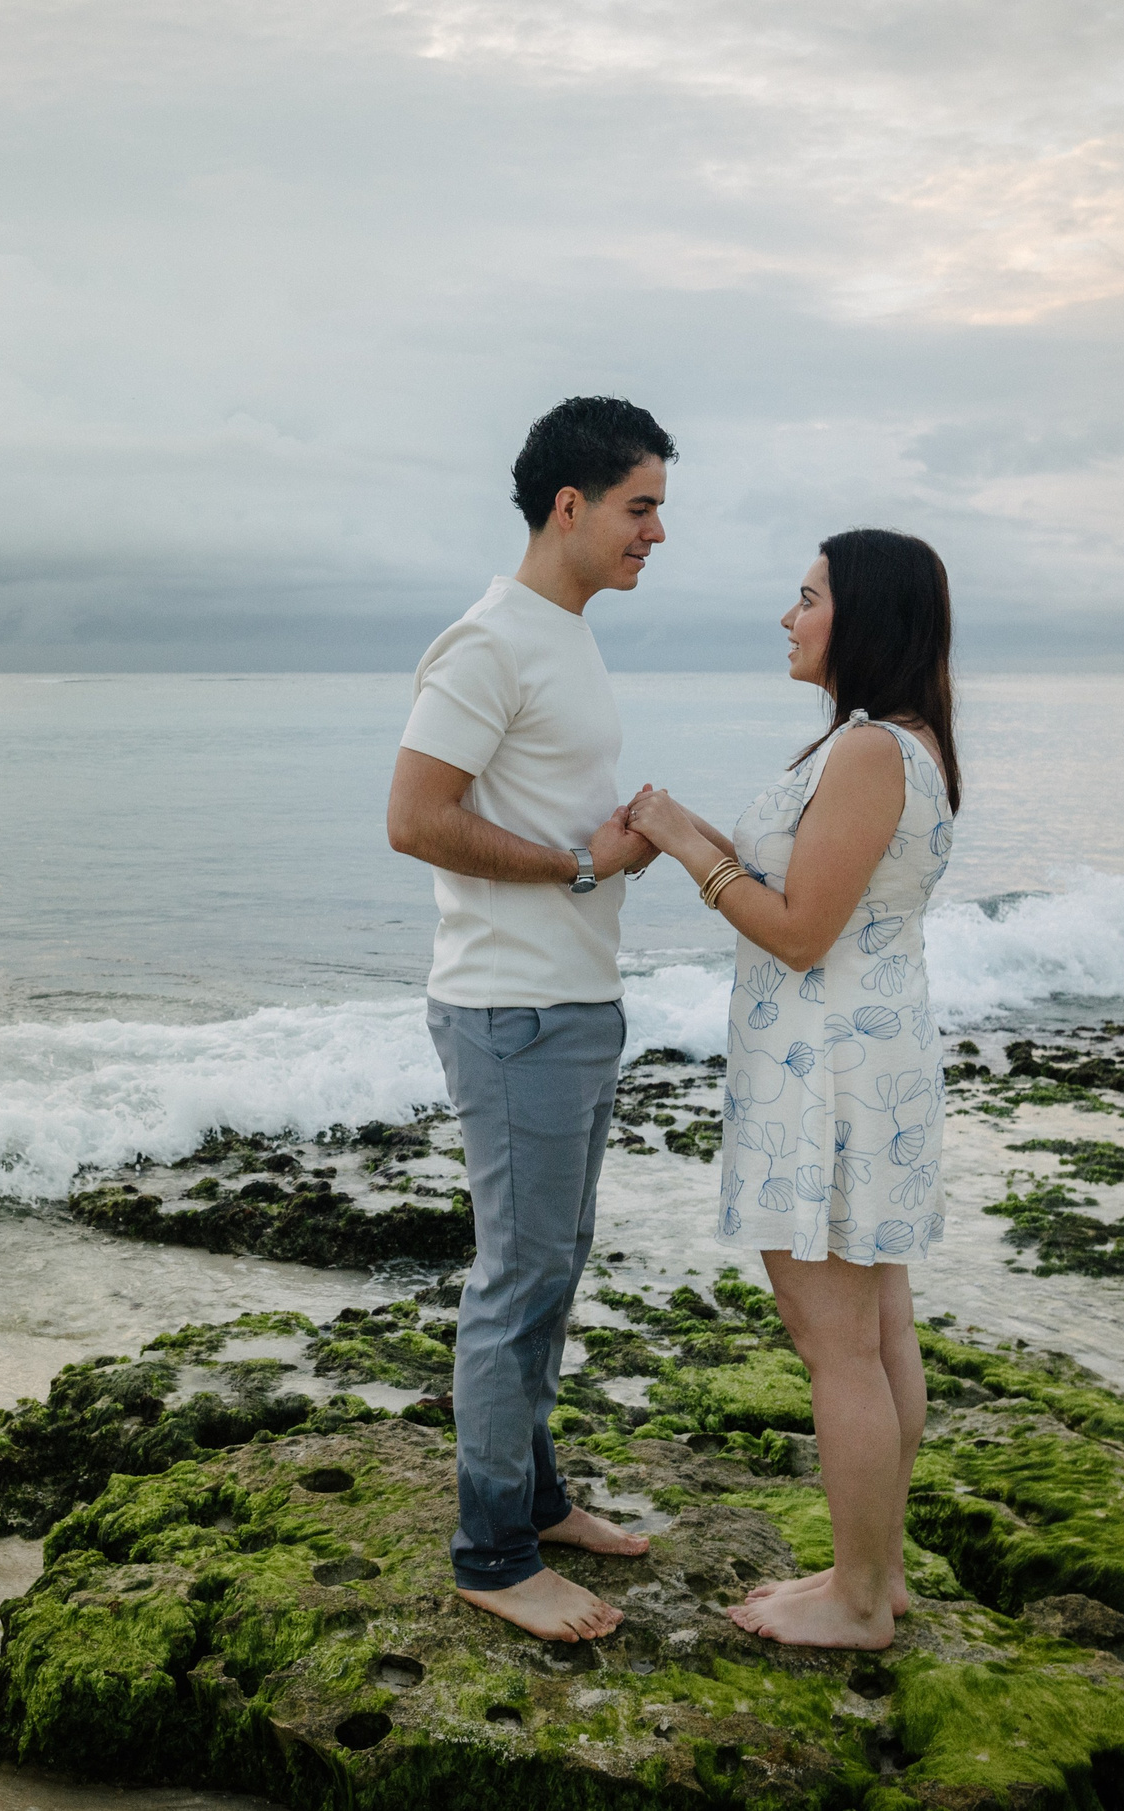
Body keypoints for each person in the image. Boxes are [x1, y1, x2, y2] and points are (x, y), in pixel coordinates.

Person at [624, 527, 960, 1650]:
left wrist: (681, 844)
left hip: (828, 1079)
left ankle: (859, 1600)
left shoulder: (869, 750)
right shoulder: (887, 744)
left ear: (862, 617)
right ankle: (876, 1571)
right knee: (876, 1332)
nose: (788, 614)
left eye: (807, 596)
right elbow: (808, 887)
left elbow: (800, 929)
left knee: (838, 1347)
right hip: (862, 1060)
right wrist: (696, 831)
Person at [385, 396, 674, 1643]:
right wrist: (575, 866)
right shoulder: (487, 641)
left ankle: (537, 1497)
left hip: (574, 998)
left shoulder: (566, 633)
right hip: (512, 1008)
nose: (656, 532)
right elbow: (414, 816)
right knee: (517, 1280)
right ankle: (492, 1550)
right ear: (571, 506)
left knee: (553, 1268)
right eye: (639, 506)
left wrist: (609, 853)